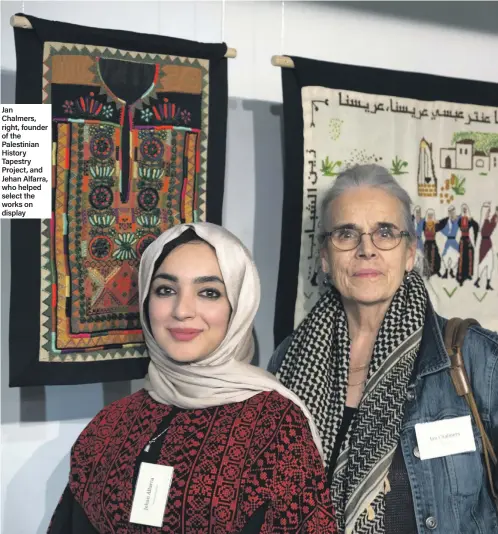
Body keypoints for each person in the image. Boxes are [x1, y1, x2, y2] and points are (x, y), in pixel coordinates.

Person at [48, 223, 337, 533]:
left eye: (208, 292)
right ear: (146, 301)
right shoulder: (110, 425)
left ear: (237, 306)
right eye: (166, 290)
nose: (182, 310)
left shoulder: (273, 423)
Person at [268, 164, 498, 534]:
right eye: (346, 234)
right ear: (325, 257)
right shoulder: (287, 360)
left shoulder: (475, 359)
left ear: (409, 254)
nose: (366, 250)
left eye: (385, 233)